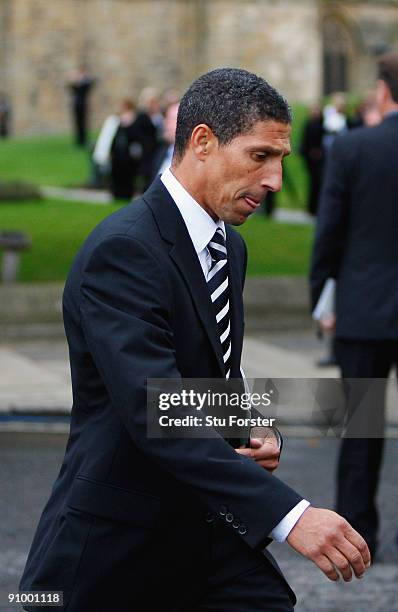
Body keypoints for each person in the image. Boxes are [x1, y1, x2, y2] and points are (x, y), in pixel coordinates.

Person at [20, 68, 370, 612]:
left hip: (210, 534)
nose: (276, 180)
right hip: (116, 547)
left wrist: (251, 425)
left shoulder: (230, 247)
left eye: (281, 159)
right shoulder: (124, 249)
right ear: (202, 142)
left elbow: (211, 377)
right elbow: (156, 408)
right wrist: (293, 516)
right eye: (260, 157)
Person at [310, 51, 398, 559]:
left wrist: (322, 296)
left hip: (362, 310)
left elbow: (330, 232)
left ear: (383, 92)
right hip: (368, 307)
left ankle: (356, 535)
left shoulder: (352, 147)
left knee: (359, 430)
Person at [300, 103, 324, 216]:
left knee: (317, 183)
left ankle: (315, 207)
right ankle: (311, 208)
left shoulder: (321, 125)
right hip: (311, 159)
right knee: (314, 183)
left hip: (319, 159)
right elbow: (305, 142)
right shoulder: (309, 125)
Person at [67, 67, 96, 147]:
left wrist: (81, 80)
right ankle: (79, 140)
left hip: (82, 104)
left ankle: (83, 139)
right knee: (78, 122)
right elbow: (72, 88)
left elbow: (88, 86)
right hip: (76, 104)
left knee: (83, 122)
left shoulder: (86, 82)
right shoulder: (77, 82)